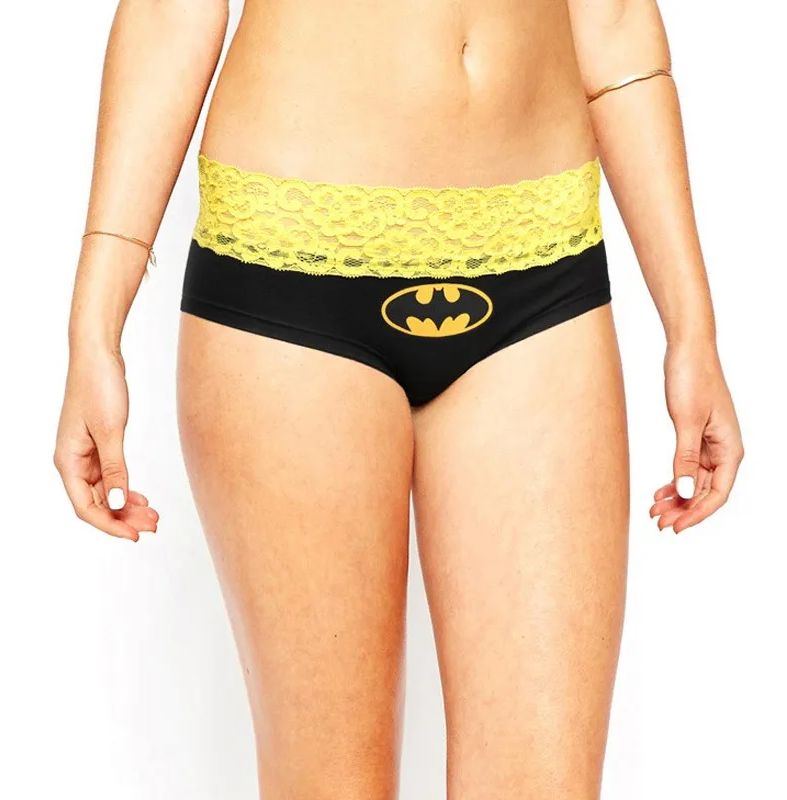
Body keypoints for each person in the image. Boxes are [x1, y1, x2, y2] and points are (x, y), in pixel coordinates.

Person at [53, 0, 744, 797]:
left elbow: (613, 19)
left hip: (541, 263)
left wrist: (691, 327)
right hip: (294, 261)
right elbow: (172, 12)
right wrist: (94, 328)